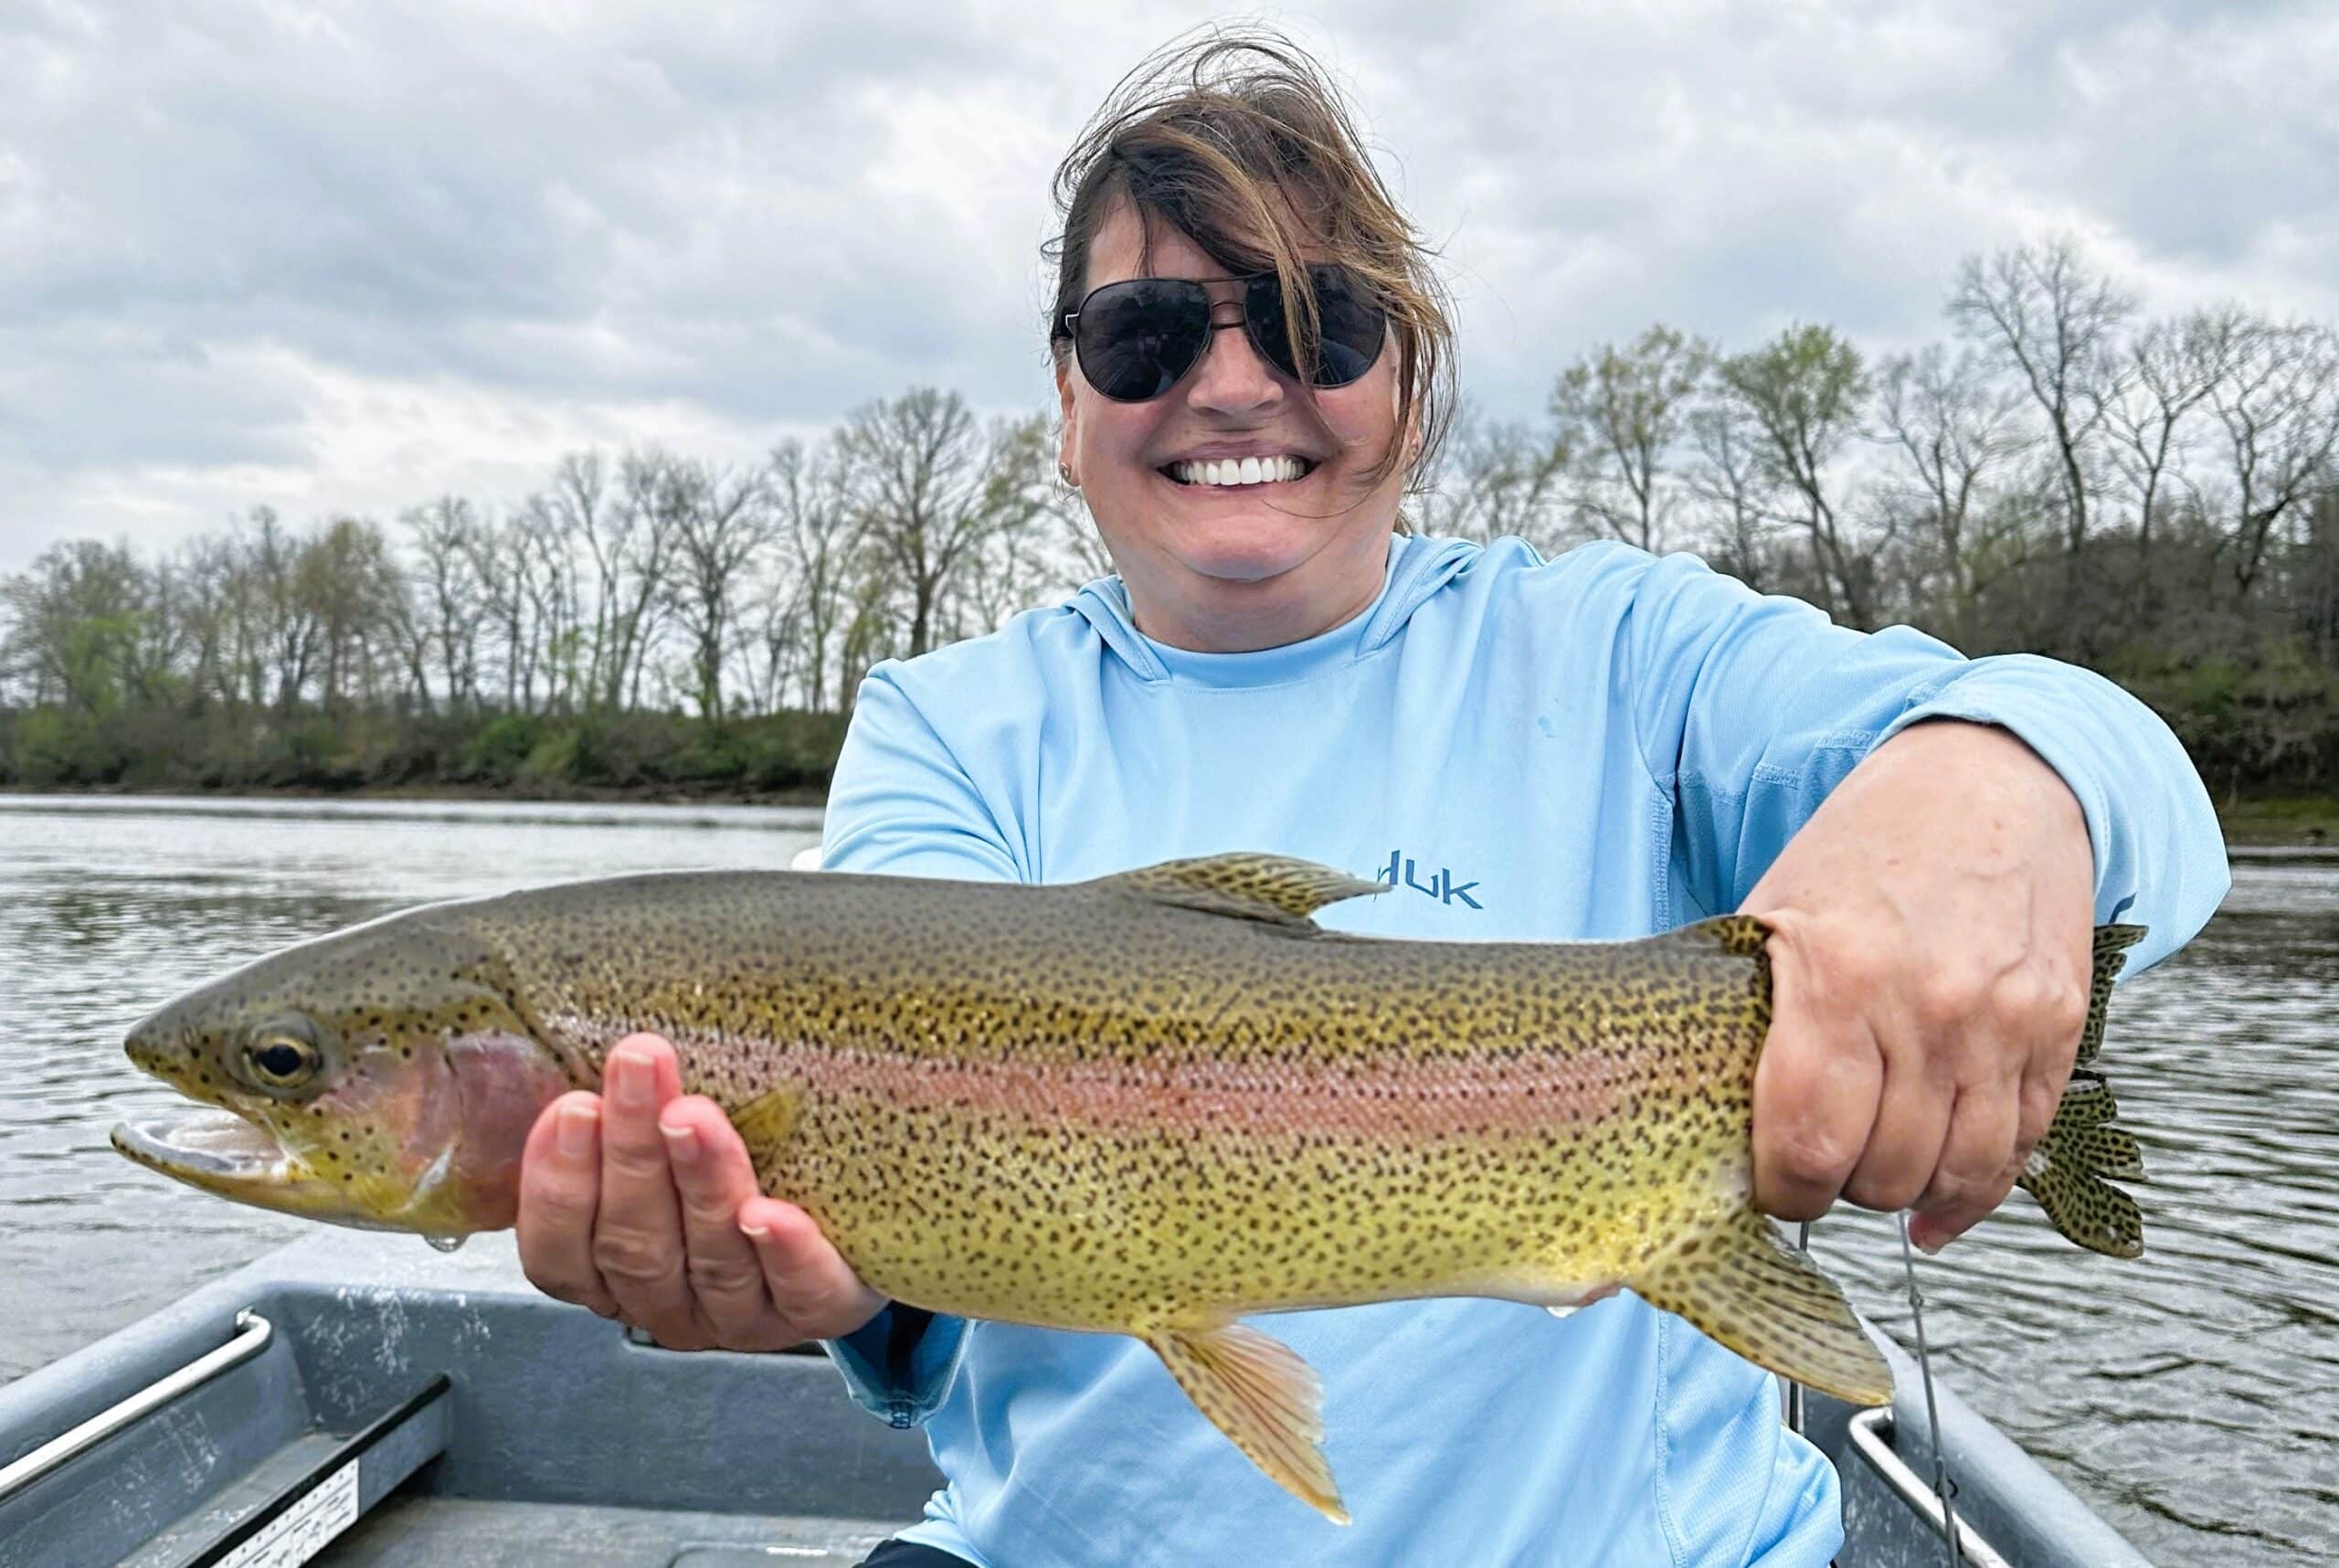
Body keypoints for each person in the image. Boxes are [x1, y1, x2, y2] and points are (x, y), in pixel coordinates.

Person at [513, 30, 2229, 1567]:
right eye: (1147, 329)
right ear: (1066, 398)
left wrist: (1999, 790)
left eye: (1318, 322)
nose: (1239, 381)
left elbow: (2121, 765)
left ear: (1410, 378)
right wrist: (810, 1267)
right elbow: (893, 1200)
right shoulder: (951, 727)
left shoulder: (1624, 651)